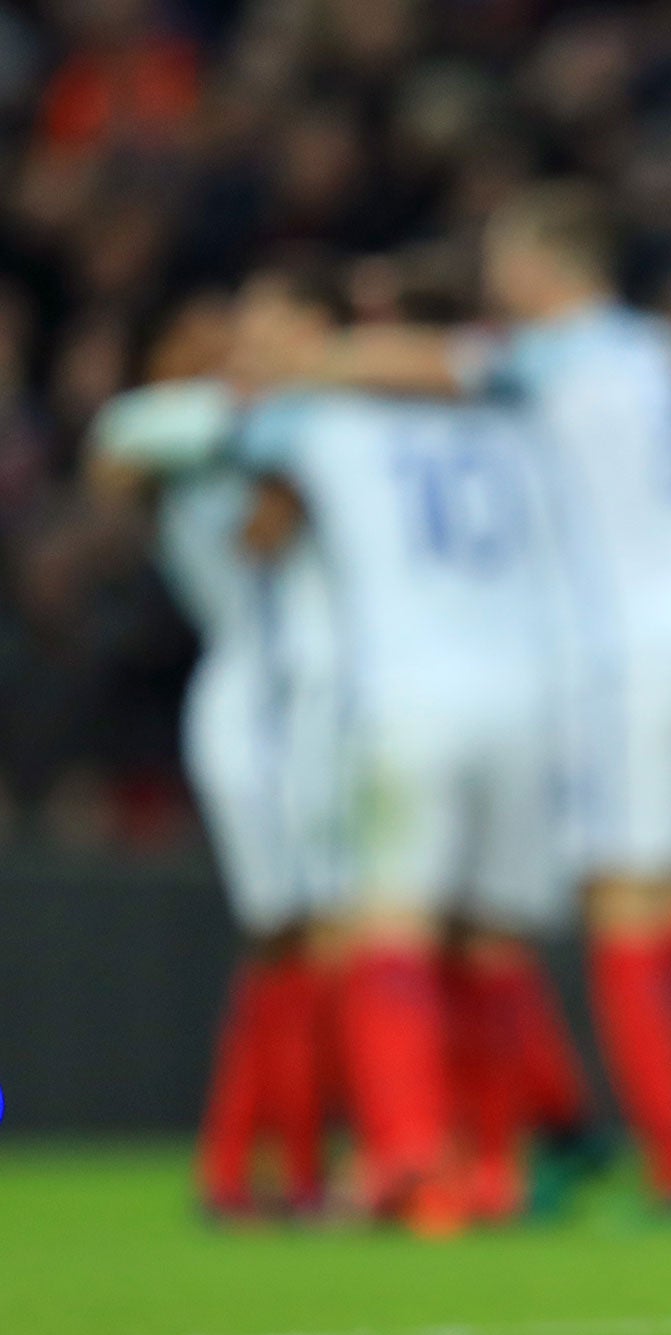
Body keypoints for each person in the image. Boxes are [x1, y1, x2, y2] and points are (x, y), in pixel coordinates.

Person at [263, 185, 671, 1217]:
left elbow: (438, 364)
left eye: (508, 261)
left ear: (547, 264)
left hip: (633, 648)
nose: (498, 281)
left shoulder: (559, 356)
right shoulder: (654, 348)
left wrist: (312, 359)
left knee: (621, 903)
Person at [231, 260, 571, 1232]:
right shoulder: (517, 417)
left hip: (408, 702)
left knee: (391, 933)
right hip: (522, 696)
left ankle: (410, 1163)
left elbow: (218, 440)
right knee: (491, 942)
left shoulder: (321, 420)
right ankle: (499, 1170)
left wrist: (305, 364)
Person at [87, 298, 337, 1219]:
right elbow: (117, 444)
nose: (231, 354)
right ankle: (265, 1167)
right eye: (206, 343)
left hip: (303, 698)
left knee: (295, 944)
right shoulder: (189, 438)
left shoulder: (267, 431)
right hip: (254, 698)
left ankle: (248, 1167)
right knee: (293, 936)